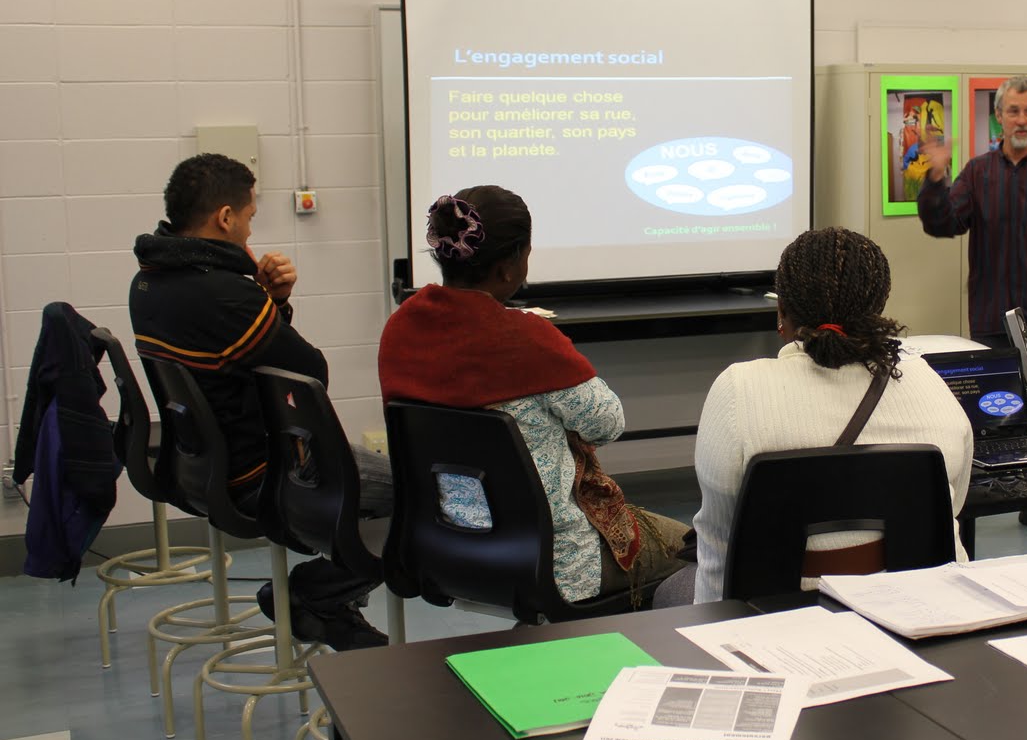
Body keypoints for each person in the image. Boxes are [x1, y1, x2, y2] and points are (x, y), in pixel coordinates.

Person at [378, 186, 687, 605]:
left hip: (444, 546)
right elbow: (608, 423)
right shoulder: (526, 340)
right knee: (699, 548)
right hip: (557, 561)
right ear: (508, 269)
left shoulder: (402, 329)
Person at [130, 154, 388, 650]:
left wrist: (270, 300)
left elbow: (252, 358)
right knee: (416, 494)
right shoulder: (224, 294)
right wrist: (265, 300)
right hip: (263, 475)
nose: (251, 231)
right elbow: (309, 375)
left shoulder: (149, 281)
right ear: (225, 218)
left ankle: (326, 600)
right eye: (249, 217)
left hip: (202, 470)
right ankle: (316, 594)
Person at [661, 227, 973, 605]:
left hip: (768, 618)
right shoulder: (930, 386)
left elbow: (719, 537)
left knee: (667, 591)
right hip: (919, 611)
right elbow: (949, 508)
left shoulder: (737, 391)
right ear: (878, 307)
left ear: (781, 311)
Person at [916, 75, 1027, 396]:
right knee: (993, 410)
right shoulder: (978, 173)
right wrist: (935, 177)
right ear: (999, 116)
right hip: (992, 325)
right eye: (1013, 111)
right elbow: (943, 223)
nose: (1022, 120)